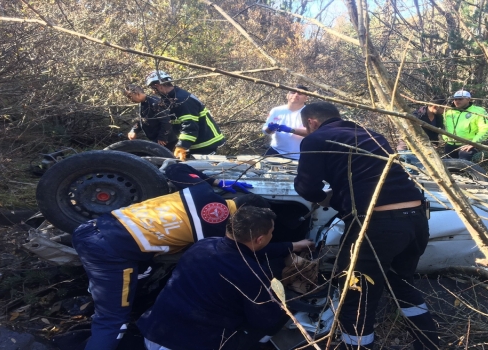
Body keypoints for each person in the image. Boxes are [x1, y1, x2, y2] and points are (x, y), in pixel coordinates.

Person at [71, 166, 307, 350]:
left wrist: (215, 181)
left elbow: (174, 168)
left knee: (140, 278)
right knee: (112, 319)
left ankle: (105, 300)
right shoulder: (214, 235)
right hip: (110, 251)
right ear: (259, 237)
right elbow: (242, 257)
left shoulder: (200, 196)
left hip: (96, 226)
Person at [294, 102, 439, 349]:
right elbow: (370, 176)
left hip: (377, 225)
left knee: (356, 295)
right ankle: (429, 344)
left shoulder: (315, 139)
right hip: (415, 220)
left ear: (312, 122)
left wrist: (327, 198)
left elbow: (306, 187)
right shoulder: (371, 134)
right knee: (401, 284)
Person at [138, 206, 300, 350]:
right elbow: (264, 320)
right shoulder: (254, 273)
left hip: (153, 332)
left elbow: (246, 252)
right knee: (277, 314)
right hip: (191, 345)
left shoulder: (203, 245)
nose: (272, 236)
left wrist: (292, 246)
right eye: (271, 233)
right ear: (260, 239)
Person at [145, 70, 225, 161]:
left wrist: (182, 146)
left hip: (206, 142)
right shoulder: (170, 98)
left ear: (158, 86)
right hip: (194, 143)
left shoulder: (182, 100)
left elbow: (189, 125)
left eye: (153, 88)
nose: (154, 91)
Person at [262, 85, 310, 160]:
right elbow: (265, 131)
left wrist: (291, 130)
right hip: (275, 151)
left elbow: (312, 133)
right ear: (287, 95)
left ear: (306, 98)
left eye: (300, 94)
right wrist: (270, 128)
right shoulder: (276, 110)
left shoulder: (310, 113)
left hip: (298, 155)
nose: (295, 95)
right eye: (292, 92)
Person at [124, 84, 178, 151]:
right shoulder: (143, 103)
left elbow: (167, 120)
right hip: (156, 139)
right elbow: (142, 119)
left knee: (162, 159)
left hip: (166, 140)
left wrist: (162, 138)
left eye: (130, 97)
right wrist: (134, 130)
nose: (130, 100)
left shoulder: (155, 103)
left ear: (137, 94)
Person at [442, 90, 488, 161]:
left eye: (460, 99)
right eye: (455, 99)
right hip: (450, 145)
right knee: (448, 166)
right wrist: (445, 139)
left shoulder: (479, 111)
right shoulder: (449, 112)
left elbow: (486, 129)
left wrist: (474, 143)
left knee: (463, 165)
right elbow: (444, 127)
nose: (457, 101)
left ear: (468, 99)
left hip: (468, 145)